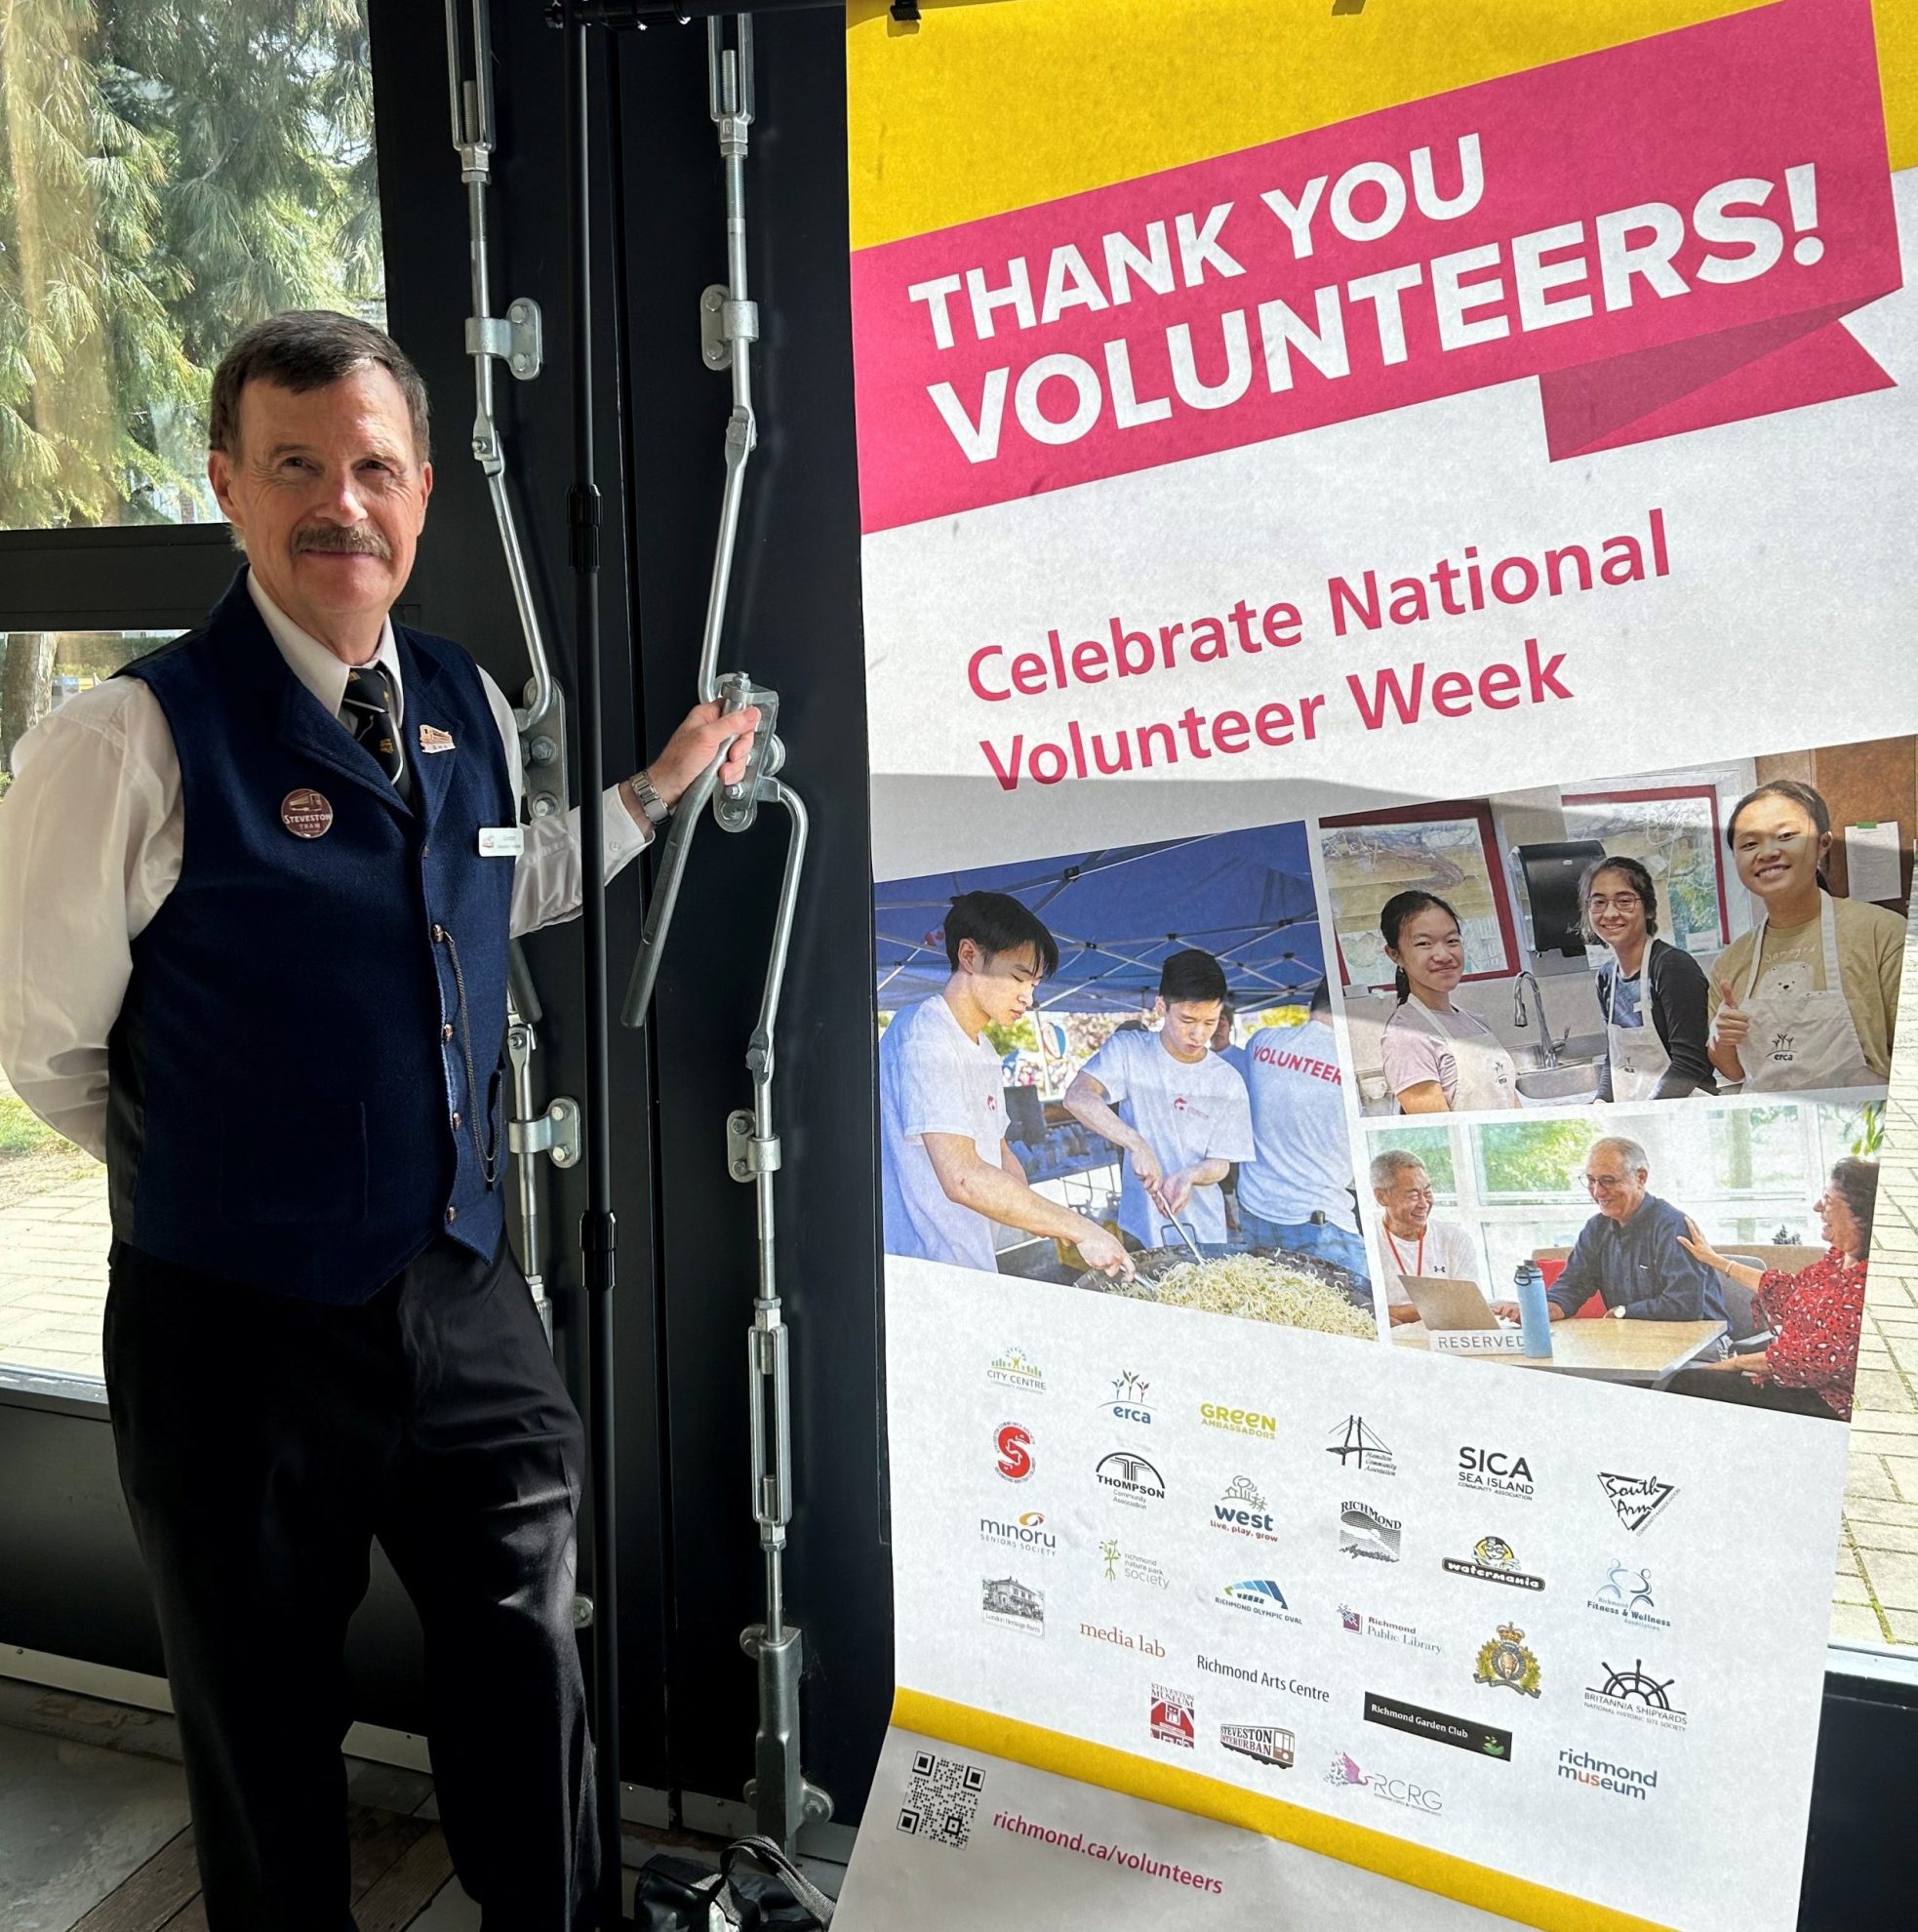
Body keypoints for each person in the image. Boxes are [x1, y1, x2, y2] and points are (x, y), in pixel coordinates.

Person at [0, 312, 765, 1930]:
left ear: (419, 490)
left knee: (531, 1673)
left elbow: (494, 891)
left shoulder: (465, 705)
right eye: (296, 467)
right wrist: (232, 1179)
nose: (340, 505)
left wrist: (645, 799)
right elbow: (49, 1046)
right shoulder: (123, 742)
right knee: (263, 1723)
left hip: (469, 1303)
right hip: (231, 1334)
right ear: (228, 484)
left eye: (372, 468)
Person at [879, 890, 1131, 1277]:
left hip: (970, 1261)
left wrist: (1049, 1221)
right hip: (923, 1270)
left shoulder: (984, 1050)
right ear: (969, 956)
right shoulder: (926, 1036)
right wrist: (1076, 1226)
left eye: (1034, 984)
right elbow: (962, 1178)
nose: (1027, 997)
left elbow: (999, 1154)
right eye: (1018, 977)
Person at [1707, 779, 1904, 1092]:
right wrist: (1720, 1039)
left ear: (1823, 843)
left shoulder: (1883, 933)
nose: (1768, 852)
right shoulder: (1730, 963)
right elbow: (1732, 1071)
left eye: (1786, 836)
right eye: (1749, 844)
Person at [1064, 947, 1254, 1249]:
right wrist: (1136, 1143)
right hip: (1140, 1224)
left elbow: (1222, 1162)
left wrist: (1191, 1175)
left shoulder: (1226, 1080)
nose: (1198, 1034)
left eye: (1210, 1022)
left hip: (1205, 1229)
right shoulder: (1129, 1051)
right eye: (1188, 1019)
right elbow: (1077, 1097)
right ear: (1161, 1007)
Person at [1669, 1158, 1876, 1420]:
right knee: (1683, 1382)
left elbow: (1814, 1358)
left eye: (1828, 1200)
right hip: (1795, 1383)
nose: (1817, 1207)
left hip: (1829, 1403)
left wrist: (1737, 1363)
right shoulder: (1836, 1259)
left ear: (1862, 1214)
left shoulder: (1868, 1283)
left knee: (1685, 1385)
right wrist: (1714, 1260)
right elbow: (1786, 1291)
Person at [1491, 1136, 1727, 1339]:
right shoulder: (1596, 1228)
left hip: (1699, 1344)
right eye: (1591, 1180)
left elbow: (1684, 1306)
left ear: (1641, 1178)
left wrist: (1624, 1312)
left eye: (1608, 1181)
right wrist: (1537, 1310)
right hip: (1634, 1343)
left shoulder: (1673, 1226)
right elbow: (1572, 1286)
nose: (1597, 1192)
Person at [1235, 981, 1369, 1279]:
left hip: (1256, 1209)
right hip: (1319, 1222)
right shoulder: (1360, 1067)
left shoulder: (1262, 1041)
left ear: (1312, 1003)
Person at [1580, 855, 1715, 1102]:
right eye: (1598, 902)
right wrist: (1600, 1102)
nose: (1610, 913)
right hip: (1641, 1110)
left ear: (1650, 909)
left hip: (1686, 1111)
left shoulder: (1672, 967)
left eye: (1624, 901)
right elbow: (1616, 1055)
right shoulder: (1606, 978)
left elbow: (1691, 1063)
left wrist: (1647, 1113)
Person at [1377, 890, 1520, 1113]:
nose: (1443, 955)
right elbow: (1441, 1131)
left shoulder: (1476, 1022)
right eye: (1424, 943)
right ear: (1395, 954)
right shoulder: (1405, 1037)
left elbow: (1509, 1098)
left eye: (1452, 940)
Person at [1368, 1147, 1479, 1327]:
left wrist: (1394, 1313)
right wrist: (1437, 1308)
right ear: (1382, 1197)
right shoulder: (1365, 1243)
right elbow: (1363, 1311)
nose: (1424, 1203)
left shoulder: (1455, 1239)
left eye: (1427, 1192)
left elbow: (1467, 1307)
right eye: (1413, 1195)